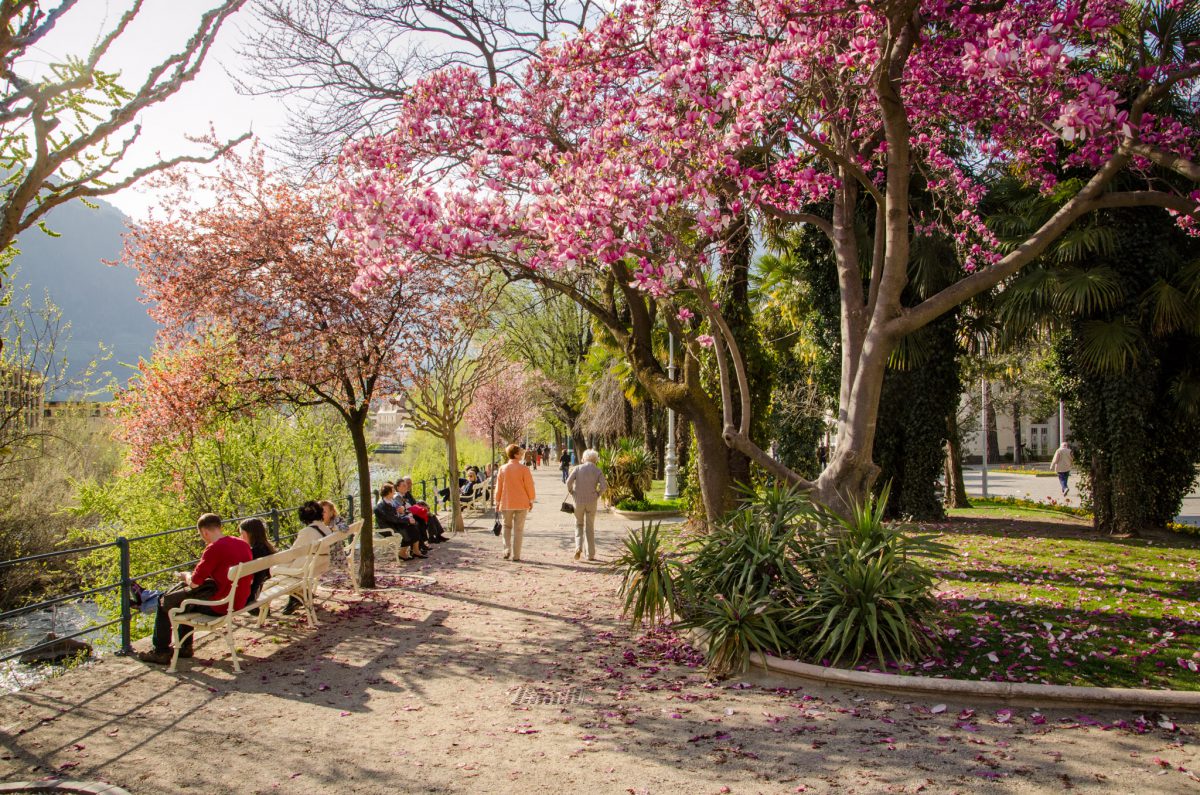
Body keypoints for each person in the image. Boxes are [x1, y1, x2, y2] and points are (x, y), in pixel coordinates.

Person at [137, 513, 253, 665]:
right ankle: (185, 647)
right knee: (184, 600)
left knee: (164, 601)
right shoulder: (241, 543)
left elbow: (194, 584)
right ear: (220, 527)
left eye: (201, 535)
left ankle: (161, 651)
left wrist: (185, 575)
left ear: (204, 532)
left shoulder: (213, 549)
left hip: (221, 605)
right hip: (239, 599)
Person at [272, 501, 334, 615]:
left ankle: (296, 596)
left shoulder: (306, 532)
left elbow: (292, 553)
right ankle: (299, 595)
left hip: (309, 566)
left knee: (275, 569)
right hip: (322, 562)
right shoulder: (326, 529)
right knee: (285, 567)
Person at [495, 443, 535, 561]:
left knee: (506, 527)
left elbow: (499, 487)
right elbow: (529, 486)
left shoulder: (502, 469)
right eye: (520, 453)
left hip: (506, 502)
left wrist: (497, 502)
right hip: (522, 503)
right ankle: (516, 555)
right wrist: (531, 500)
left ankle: (506, 549)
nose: (522, 454)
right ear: (516, 455)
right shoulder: (524, 469)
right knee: (519, 529)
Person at [566, 448, 609, 562]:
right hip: (592, 501)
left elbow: (568, 482)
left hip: (578, 501)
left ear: (584, 458)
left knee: (578, 525)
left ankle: (578, 547)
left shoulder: (577, 468)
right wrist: (597, 494)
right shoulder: (597, 470)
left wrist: (572, 492)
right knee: (590, 527)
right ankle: (590, 554)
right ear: (595, 459)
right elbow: (604, 486)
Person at [374, 484, 423, 560]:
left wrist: (408, 518)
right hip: (388, 528)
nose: (394, 492)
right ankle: (402, 552)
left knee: (415, 525)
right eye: (393, 491)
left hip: (395, 524)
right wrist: (407, 520)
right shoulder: (381, 506)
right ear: (388, 493)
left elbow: (397, 516)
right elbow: (392, 519)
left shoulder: (391, 501)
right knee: (409, 529)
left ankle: (414, 551)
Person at [238, 518, 276, 604]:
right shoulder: (267, 548)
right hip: (264, 587)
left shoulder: (253, 552)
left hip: (252, 593)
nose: (240, 537)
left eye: (242, 534)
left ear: (250, 534)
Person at [400, 476, 448, 542]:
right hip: (411, 514)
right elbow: (408, 507)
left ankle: (438, 535)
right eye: (408, 483)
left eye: (411, 483)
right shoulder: (402, 495)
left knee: (432, 515)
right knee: (429, 516)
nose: (410, 485)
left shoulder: (408, 493)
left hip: (415, 511)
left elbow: (414, 503)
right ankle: (431, 537)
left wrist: (422, 505)